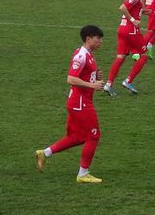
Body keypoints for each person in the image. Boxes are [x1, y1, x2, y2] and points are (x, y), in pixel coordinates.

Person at [35, 25, 106, 184]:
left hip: (79, 101)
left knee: (77, 137)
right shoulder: (81, 56)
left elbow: (84, 74)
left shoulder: (89, 54)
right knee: (93, 136)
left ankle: (44, 153)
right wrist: (92, 85)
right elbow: (71, 79)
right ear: (88, 39)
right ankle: (83, 174)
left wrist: (95, 75)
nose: (100, 42)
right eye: (98, 39)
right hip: (80, 103)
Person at [103, 0, 152, 96]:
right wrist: (133, 20)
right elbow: (122, 8)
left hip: (122, 29)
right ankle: (128, 81)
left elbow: (131, 8)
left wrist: (143, 11)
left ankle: (108, 84)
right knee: (144, 55)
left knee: (120, 57)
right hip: (131, 30)